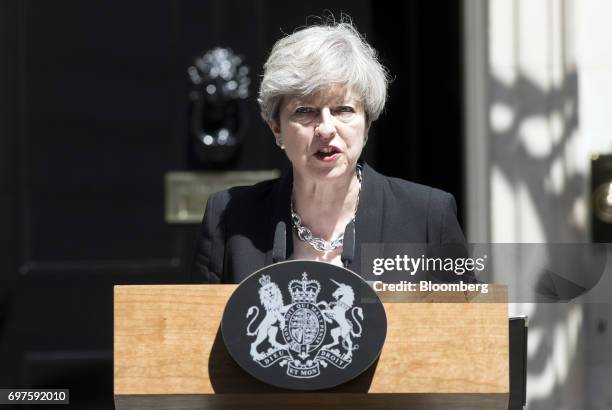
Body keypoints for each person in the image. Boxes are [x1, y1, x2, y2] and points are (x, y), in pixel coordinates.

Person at [191, 20, 466, 284]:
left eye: (343, 110)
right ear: (276, 127)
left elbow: (472, 328)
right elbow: (196, 329)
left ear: (367, 124)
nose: (325, 128)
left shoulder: (428, 217)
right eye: (305, 111)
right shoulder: (229, 218)